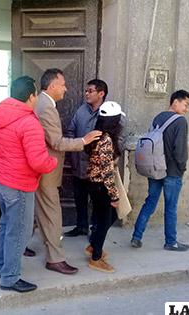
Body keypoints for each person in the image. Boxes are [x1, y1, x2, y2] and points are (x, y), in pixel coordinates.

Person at [0, 75, 57, 293]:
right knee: (19, 231)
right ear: (31, 96)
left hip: (1, 180)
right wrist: (53, 162)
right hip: (18, 184)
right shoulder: (28, 122)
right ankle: (9, 277)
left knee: (6, 226)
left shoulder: (2, 114)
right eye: (36, 94)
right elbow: (38, 161)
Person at [34, 68, 101, 275]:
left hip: (42, 168)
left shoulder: (43, 103)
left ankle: (25, 246)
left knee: (41, 211)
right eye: (63, 84)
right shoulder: (46, 106)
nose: (66, 88)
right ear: (52, 85)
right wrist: (84, 140)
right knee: (52, 214)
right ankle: (55, 259)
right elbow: (56, 142)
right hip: (46, 170)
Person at [131, 90, 189, 252]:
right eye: (186, 105)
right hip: (172, 172)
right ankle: (171, 242)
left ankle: (136, 236)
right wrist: (182, 168)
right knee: (171, 207)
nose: (187, 109)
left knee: (150, 202)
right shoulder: (180, 121)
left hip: (155, 169)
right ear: (175, 102)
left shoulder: (158, 118)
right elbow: (179, 150)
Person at [65, 79, 126, 237]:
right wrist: (74, 152)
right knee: (80, 198)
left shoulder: (110, 113)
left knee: (98, 203)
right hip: (79, 164)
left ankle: (95, 231)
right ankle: (81, 226)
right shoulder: (81, 111)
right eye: (86, 91)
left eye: (90, 91)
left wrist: (110, 157)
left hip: (98, 169)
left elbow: (118, 138)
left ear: (101, 93)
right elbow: (71, 131)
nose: (86, 94)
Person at [85, 101, 123, 273]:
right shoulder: (107, 140)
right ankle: (96, 258)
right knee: (105, 220)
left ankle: (93, 246)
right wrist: (114, 196)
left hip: (94, 184)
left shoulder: (96, 134)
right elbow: (107, 172)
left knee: (103, 219)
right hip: (101, 186)